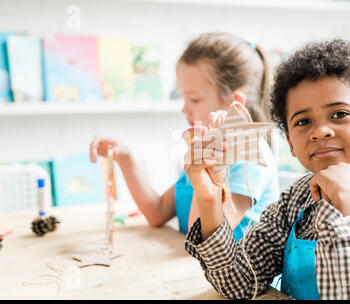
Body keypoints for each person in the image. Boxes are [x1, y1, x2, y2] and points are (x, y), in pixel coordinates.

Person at [183, 39, 350, 300]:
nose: (320, 131)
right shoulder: (295, 199)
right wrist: (209, 199)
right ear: (291, 145)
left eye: (339, 114)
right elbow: (240, 284)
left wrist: (349, 214)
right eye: (303, 121)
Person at [89, 32, 279, 241]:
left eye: (194, 99)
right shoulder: (206, 150)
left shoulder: (249, 156)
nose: (184, 109)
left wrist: (207, 168)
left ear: (234, 103)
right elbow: (157, 212)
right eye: (184, 97)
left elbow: (207, 241)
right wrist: (125, 159)